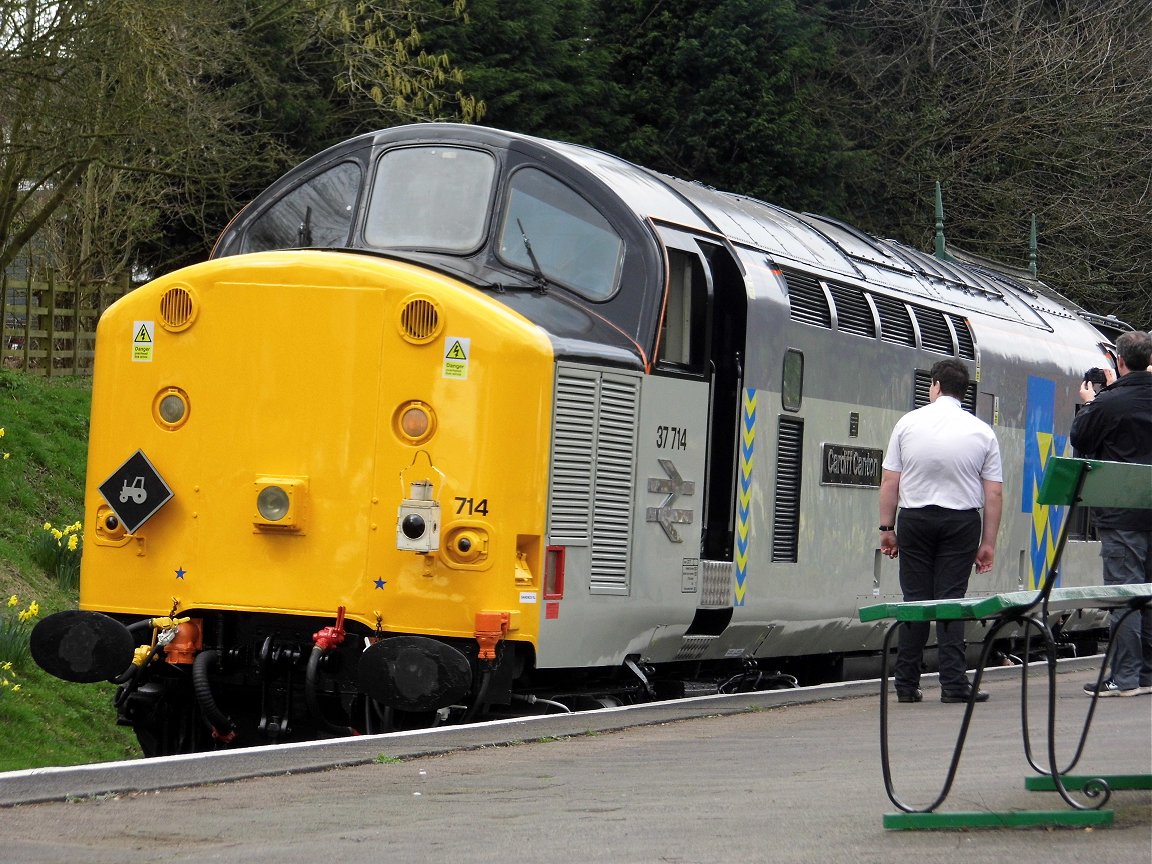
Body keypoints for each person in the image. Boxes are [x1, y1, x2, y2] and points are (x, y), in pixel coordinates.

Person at [878, 359, 1003, 703]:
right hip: (961, 523)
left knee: (915, 602)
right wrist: (988, 543)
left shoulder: (908, 423)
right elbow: (993, 492)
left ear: (934, 385)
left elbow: (890, 481)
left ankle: (905, 685)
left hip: (915, 520)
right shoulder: (982, 431)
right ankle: (953, 685)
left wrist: (887, 528)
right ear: (964, 391)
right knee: (950, 601)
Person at [1070, 329, 1152, 697]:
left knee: (1125, 595)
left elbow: (1080, 439)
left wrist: (1090, 402)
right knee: (1148, 594)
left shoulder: (1108, 402)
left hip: (1121, 515)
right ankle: (1147, 674)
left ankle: (1126, 677)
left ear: (1119, 361)